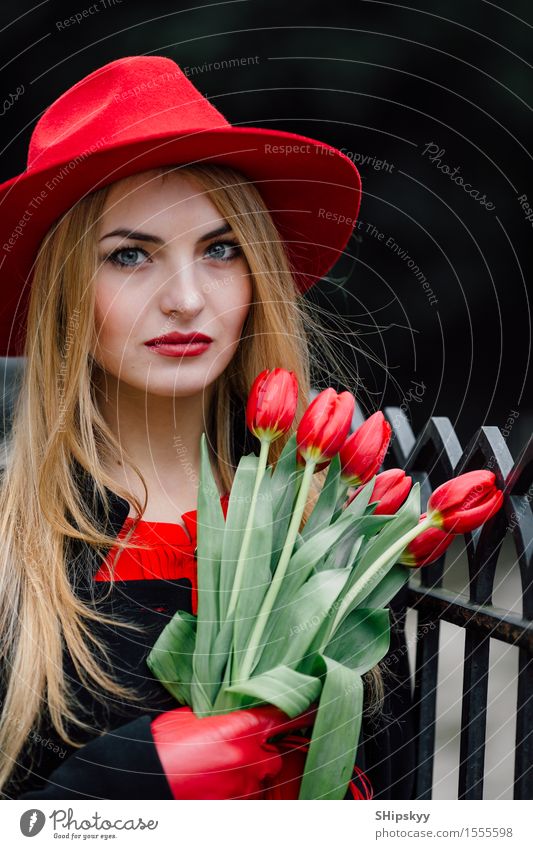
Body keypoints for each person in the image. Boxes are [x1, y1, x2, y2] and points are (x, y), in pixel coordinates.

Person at [0, 55, 415, 800]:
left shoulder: (326, 540)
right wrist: (127, 782)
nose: (187, 299)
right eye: (131, 255)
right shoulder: (12, 563)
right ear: (63, 291)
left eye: (220, 249)